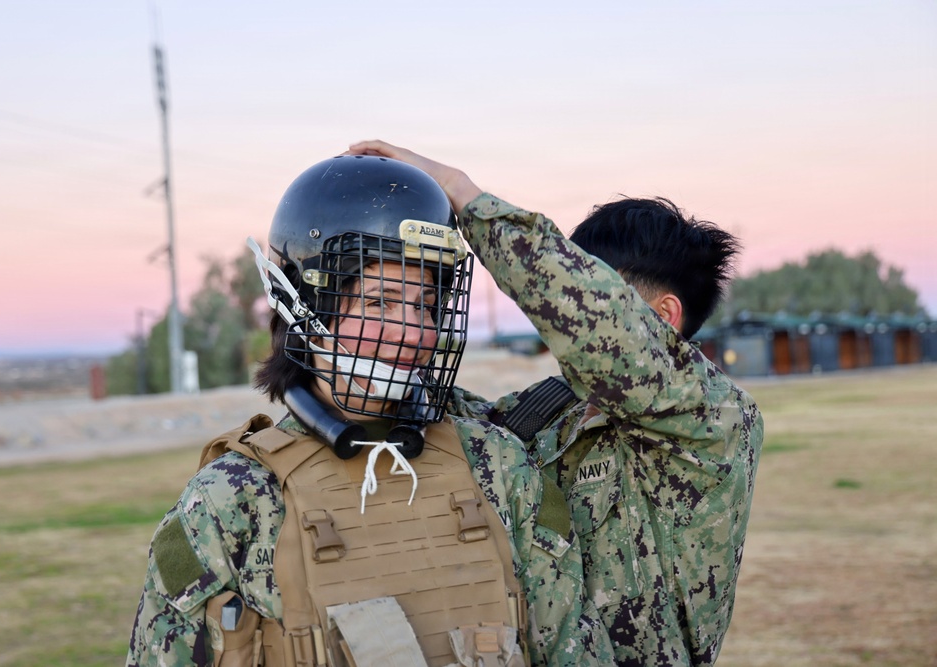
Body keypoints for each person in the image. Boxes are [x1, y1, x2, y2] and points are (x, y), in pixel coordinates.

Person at [126, 155, 610, 666]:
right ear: (304, 305)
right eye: (381, 303)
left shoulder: (499, 465)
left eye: (426, 305)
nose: (414, 333)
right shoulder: (232, 502)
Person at [345, 141, 765, 667]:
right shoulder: (552, 410)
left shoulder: (716, 420)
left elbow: (594, 320)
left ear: (662, 317)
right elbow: (453, 428)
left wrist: (465, 198)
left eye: (593, 288)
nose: (560, 318)